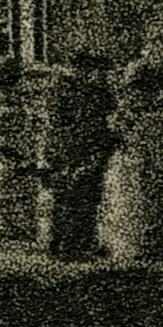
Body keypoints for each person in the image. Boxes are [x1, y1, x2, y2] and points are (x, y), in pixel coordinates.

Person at [38, 51, 121, 264]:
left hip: (88, 149)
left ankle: (79, 241)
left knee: (86, 196)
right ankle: (64, 243)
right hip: (71, 149)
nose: (98, 74)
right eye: (94, 69)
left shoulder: (97, 92)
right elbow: (60, 124)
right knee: (69, 195)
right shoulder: (66, 90)